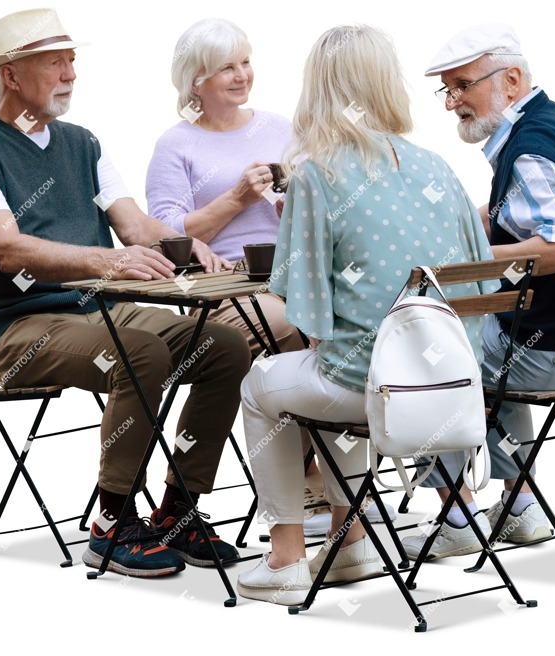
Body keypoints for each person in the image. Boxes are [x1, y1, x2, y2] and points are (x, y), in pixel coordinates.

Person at [0, 8, 251, 578]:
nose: (70, 73)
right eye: (55, 62)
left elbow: (134, 227)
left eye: (72, 60)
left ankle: (178, 512)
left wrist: (188, 244)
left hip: (104, 311)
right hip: (20, 330)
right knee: (139, 353)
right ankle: (111, 520)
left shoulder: (84, 143)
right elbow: (7, 249)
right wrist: (106, 260)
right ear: (11, 74)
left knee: (227, 344)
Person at [235, 24, 497, 605]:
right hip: (452, 383)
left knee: (268, 382)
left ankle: (285, 557)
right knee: (342, 367)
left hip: (379, 389)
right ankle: (349, 537)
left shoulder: (316, 174)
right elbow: (482, 275)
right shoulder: (437, 167)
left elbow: (303, 306)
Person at [401, 22, 555, 559]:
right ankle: (520, 506)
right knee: (488, 343)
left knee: (420, 361)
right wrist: (464, 227)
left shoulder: (529, 149)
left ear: (510, 79)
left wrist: (468, 259)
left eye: (462, 86)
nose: (451, 103)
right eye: (448, 89)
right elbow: (526, 213)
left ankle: (456, 517)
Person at [146, 17, 395, 533]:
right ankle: (330, 490)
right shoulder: (176, 144)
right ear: (196, 81)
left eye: (245, 62)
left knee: (323, 336)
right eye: (226, 69)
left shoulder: (280, 128)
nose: (242, 75)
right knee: (309, 333)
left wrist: (293, 207)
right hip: (220, 286)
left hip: (289, 274)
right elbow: (164, 232)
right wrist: (235, 199)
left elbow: (319, 196)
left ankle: (322, 488)